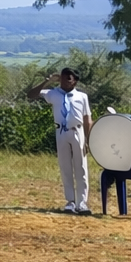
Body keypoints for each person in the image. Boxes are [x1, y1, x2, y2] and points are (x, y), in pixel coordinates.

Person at [26, 67, 94, 215]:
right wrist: (47, 81)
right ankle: (70, 202)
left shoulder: (81, 97)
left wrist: (88, 139)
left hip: (77, 132)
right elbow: (31, 95)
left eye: (67, 79)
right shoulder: (53, 93)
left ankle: (82, 203)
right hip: (61, 132)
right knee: (65, 167)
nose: (64, 82)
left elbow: (87, 119)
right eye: (62, 78)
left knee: (81, 168)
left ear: (74, 81)